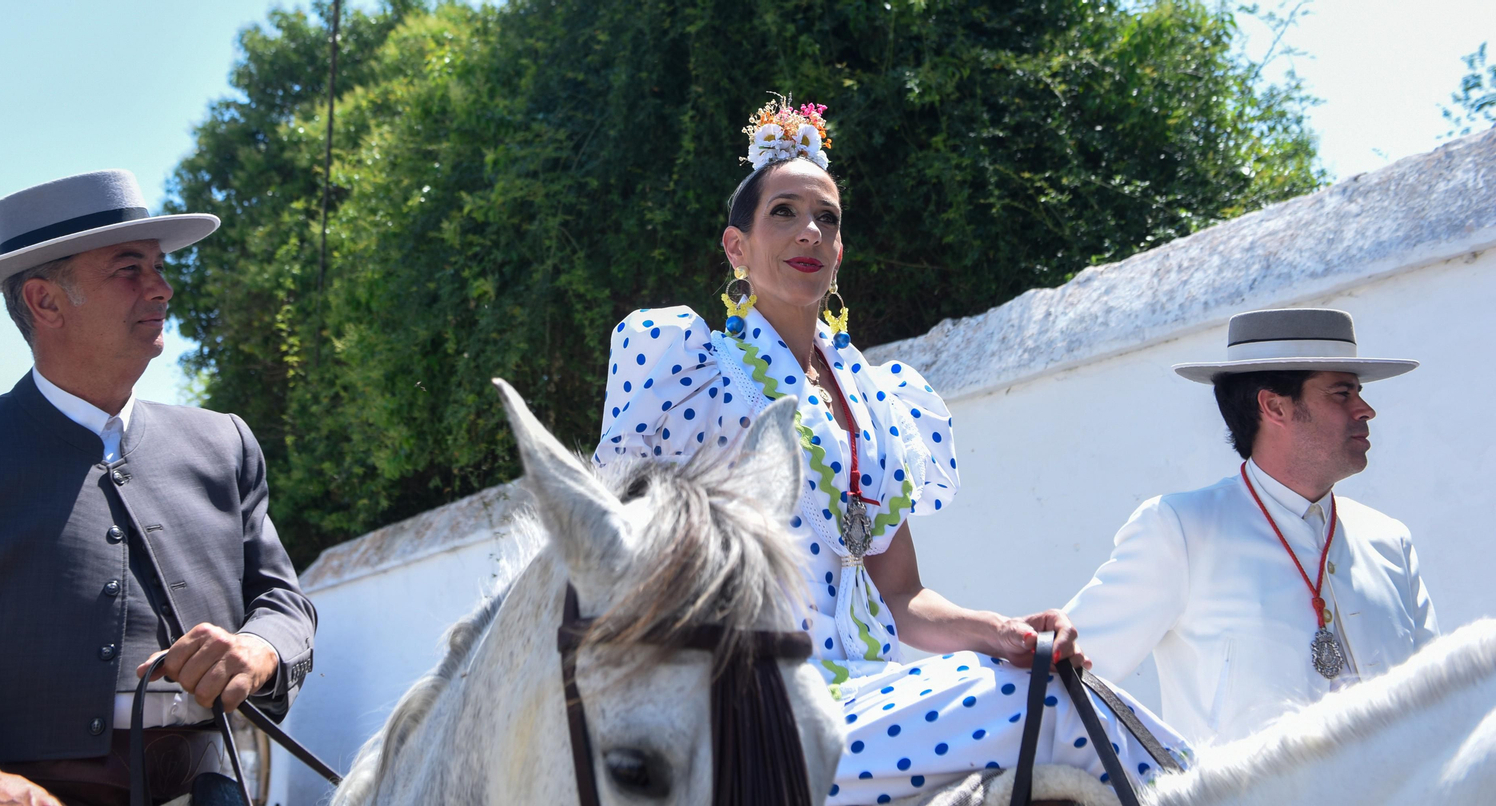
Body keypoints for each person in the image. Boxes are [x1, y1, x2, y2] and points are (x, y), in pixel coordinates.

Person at [592, 98, 1188, 805]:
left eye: (828, 218)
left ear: (839, 252)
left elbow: (901, 596)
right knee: (1028, 704)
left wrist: (1001, 631)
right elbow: (626, 569)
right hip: (759, 710)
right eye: (783, 212)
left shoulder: (878, 401)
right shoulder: (695, 375)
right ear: (736, 248)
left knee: (1049, 683)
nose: (810, 231)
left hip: (871, 694)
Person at [0, 170, 318, 806]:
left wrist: (259, 648)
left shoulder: (224, 442)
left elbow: (284, 602)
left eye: (159, 266)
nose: (162, 287)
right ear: (45, 302)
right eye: (129, 269)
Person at [1065, 308, 1438, 745]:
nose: (1366, 410)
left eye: (1358, 392)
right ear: (1274, 406)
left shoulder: (1388, 540)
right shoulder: (1181, 531)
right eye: (1342, 393)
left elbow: (1440, 703)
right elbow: (1064, 674)